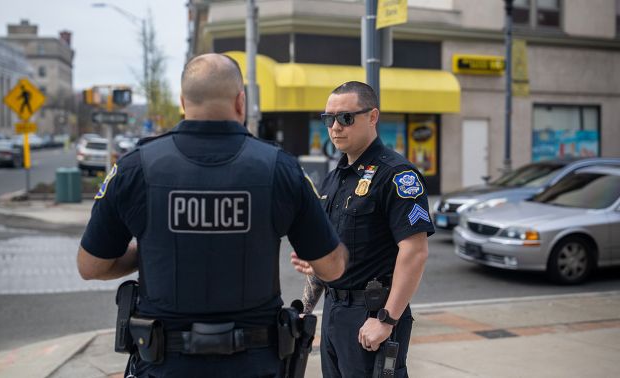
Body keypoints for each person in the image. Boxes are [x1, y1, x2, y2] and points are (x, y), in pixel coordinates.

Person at [77, 53, 348, 377]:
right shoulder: (281, 169)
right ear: (240, 101)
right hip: (254, 365)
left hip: (164, 365)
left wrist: (149, 249)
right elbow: (331, 267)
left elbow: (91, 266)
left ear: (182, 101)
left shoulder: (135, 167)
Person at [291, 81, 434, 378]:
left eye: (345, 117)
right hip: (334, 312)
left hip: (372, 313)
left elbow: (415, 251)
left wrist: (386, 319)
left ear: (372, 117)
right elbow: (328, 252)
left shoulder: (396, 174)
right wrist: (305, 310)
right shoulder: (334, 179)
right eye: (328, 118)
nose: (335, 127)